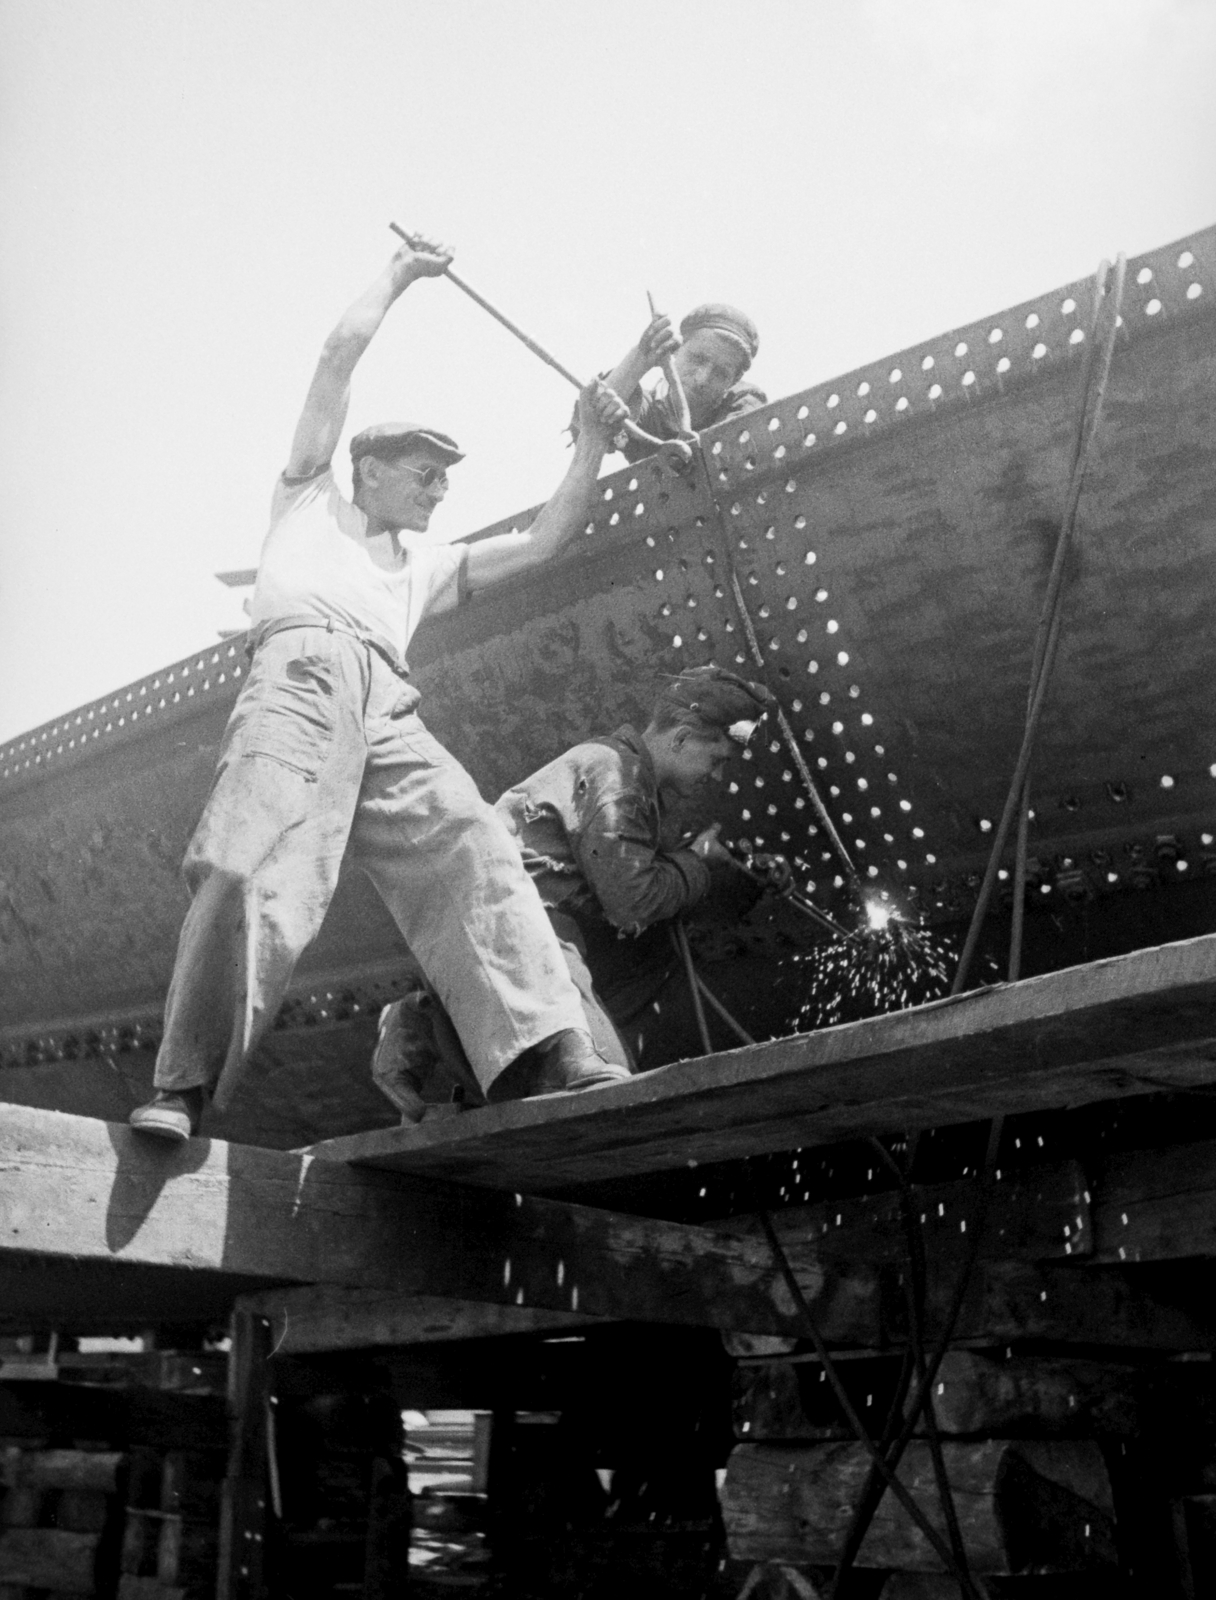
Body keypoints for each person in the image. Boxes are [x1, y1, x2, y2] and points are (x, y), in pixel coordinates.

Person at [129, 234, 634, 1142]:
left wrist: (591, 442)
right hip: (301, 675)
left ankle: (541, 1055)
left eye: (446, 477)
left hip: (389, 704)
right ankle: (183, 1089)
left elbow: (548, 539)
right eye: (425, 472)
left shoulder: (430, 563)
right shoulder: (309, 497)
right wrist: (401, 277)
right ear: (367, 470)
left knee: (475, 843)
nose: (440, 489)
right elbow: (336, 356)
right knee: (247, 865)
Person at [494, 666, 790, 1070]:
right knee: (608, 1083)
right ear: (683, 737)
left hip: (540, 938)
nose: (718, 775)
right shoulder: (616, 775)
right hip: (522, 937)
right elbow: (632, 903)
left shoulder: (635, 783)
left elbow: (649, 885)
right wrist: (699, 861)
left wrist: (737, 876)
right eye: (717, 759)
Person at [573, 304, 766, 464]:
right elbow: (588, 426)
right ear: (676, 349)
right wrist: (639, 359)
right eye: (697, 359)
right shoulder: (647, 410)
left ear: (734, 380)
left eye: (721, 373)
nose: (702, 379)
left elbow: (729, 461)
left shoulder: (744, 400)